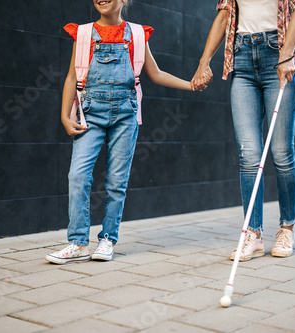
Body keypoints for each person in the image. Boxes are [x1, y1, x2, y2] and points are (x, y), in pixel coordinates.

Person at [46, 0, 194, 264]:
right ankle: (78, 243)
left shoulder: (138, 34)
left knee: (117, 182)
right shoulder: (82, 34)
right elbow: (71, 77)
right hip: (89, 114)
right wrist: (65, 116)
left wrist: (191, 85)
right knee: (78, 176)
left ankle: (107, 240)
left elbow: (156, 73)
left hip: (125, 115)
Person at [192, 0, 295, 261]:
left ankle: (287, 227)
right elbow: (225, 16)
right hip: (242, 59)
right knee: (249, 156)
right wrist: (204, 62)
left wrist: (287, 55)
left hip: (277, 55)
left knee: (281, 153)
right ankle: (254, 234)